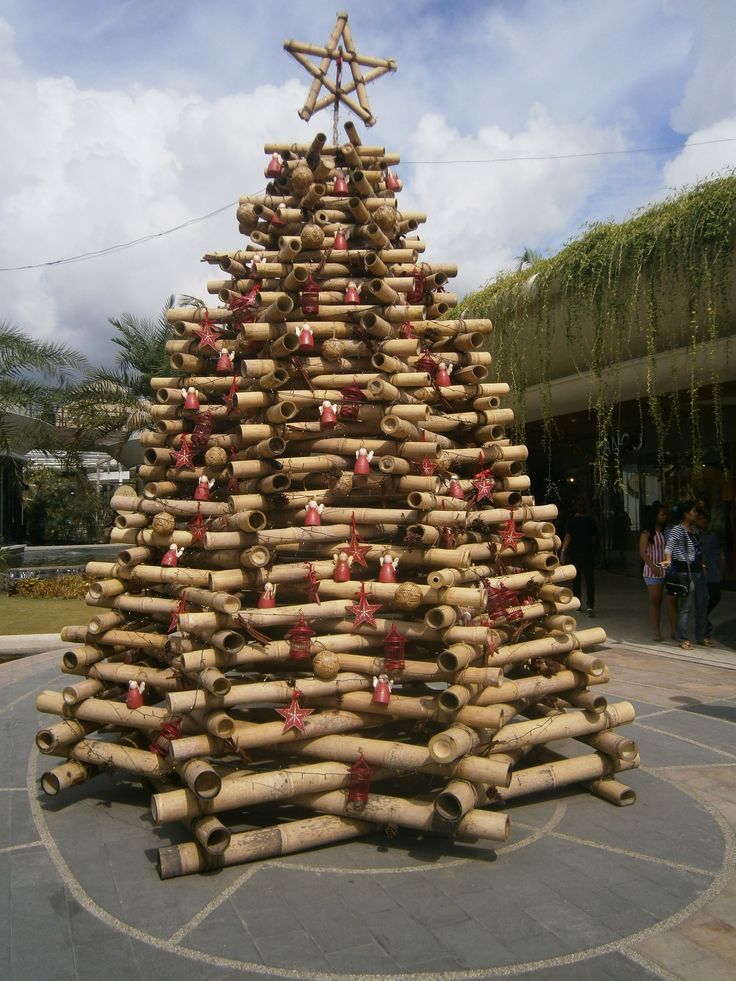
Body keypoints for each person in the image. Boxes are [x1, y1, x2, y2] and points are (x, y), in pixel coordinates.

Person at [661, 500, 709, 650]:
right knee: (686, 607)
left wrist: (702, 564)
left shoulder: (695, 530)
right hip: (685, 571)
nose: (695, 514)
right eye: (693, 511)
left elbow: (698, 550)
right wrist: (668, 561)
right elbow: (668, 548)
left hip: (697, 570)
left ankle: (701, 636)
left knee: (703, 603)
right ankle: (683, 638)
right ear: (685, 514)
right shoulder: (677, 529)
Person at [638, 502, 676, 641]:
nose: (664, 517)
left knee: (672, 601)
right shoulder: (647, 532)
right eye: (662, 514)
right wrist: (653, 566)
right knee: (656, 601)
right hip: (652, 570)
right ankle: (656, 631)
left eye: (666, 514)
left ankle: (674, 630)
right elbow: (642, 552)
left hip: (668, 569)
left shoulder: (667, 531)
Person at [561, 499, 599, 616]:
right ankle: (590, 606)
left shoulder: (571, 522)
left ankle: (577, 604)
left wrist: (563, 551)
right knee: (589, 581)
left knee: (576, 580)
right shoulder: (591, 521)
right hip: (588, 554)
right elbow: (594, 538)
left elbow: (568, 536)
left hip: (575, 554)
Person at [695, 508, 723, 639]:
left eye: (705, 518)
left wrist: (720, 567)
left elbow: (717, 553)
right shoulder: (694, 535)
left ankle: (703, 617)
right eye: (700, 518)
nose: (704, 521)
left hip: (713, 571)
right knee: (702, 599)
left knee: (716, 595)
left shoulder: (712, 535)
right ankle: (703, 626)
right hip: (700, 571)